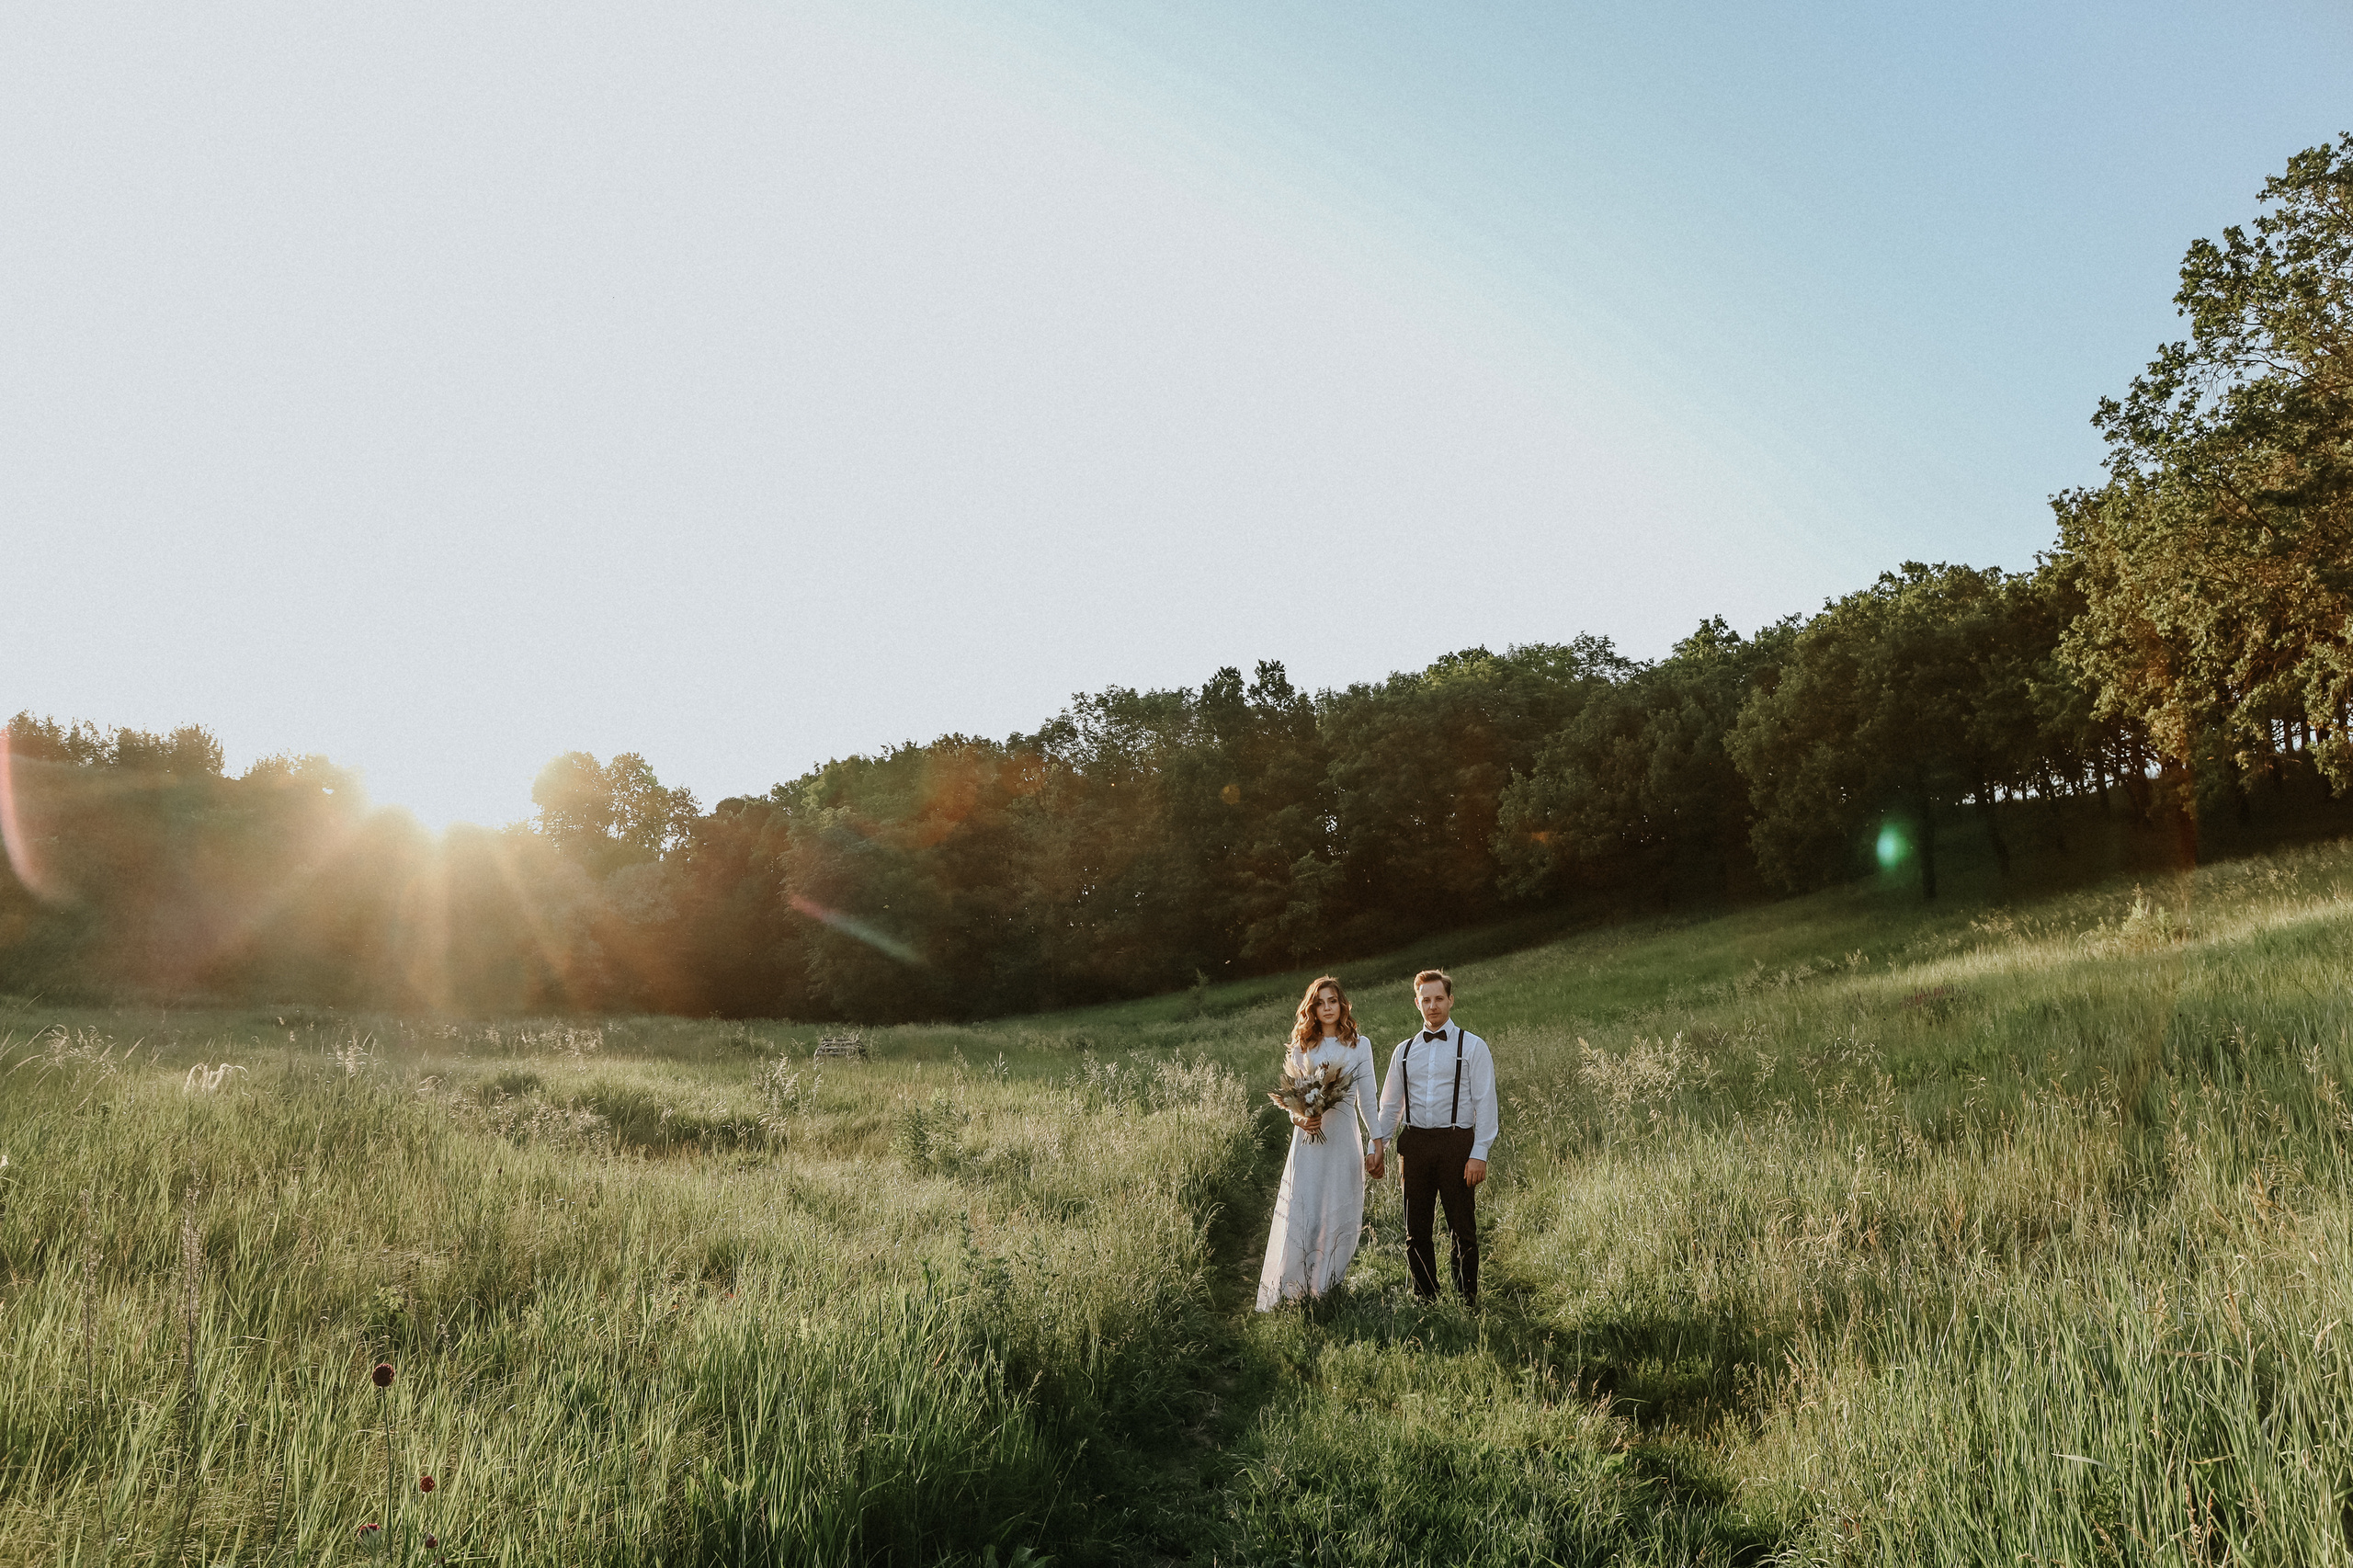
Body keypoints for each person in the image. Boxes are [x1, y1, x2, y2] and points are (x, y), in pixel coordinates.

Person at [1368, 969, 1496, 1305]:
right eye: (1426, 1000)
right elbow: (1390, 1107)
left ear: (1450, 1000)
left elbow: (1485, 1103)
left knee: (1462, 1228)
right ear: (1417, 1003)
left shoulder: (1473, 1046)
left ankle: (1467, 1298)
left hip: (1457, 1143)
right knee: (1416, 1229)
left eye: (1439, 998)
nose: (1433, 1005)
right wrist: (1376, 1146)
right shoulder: (1404, 1051)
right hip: (1415, 1145)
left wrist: (1479, 1152)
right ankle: (1426, 1297)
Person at [1255, 975, 1382, 1311]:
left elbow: (1368, 1099)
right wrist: (1301, 1118)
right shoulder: (1303, 1046)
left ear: (1342, 1006)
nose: (1327, 1008)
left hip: (1343, 1139)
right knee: (1307, 1208)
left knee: (1340, 1208)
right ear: (1312, 1009)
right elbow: (1291, 1103)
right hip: (1309, 1142)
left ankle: (1326, 1284)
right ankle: (1295, 1286)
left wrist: (1377, 1141)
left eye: (1333, 1001)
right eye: (1320, 1003)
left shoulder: (1360, 1045)